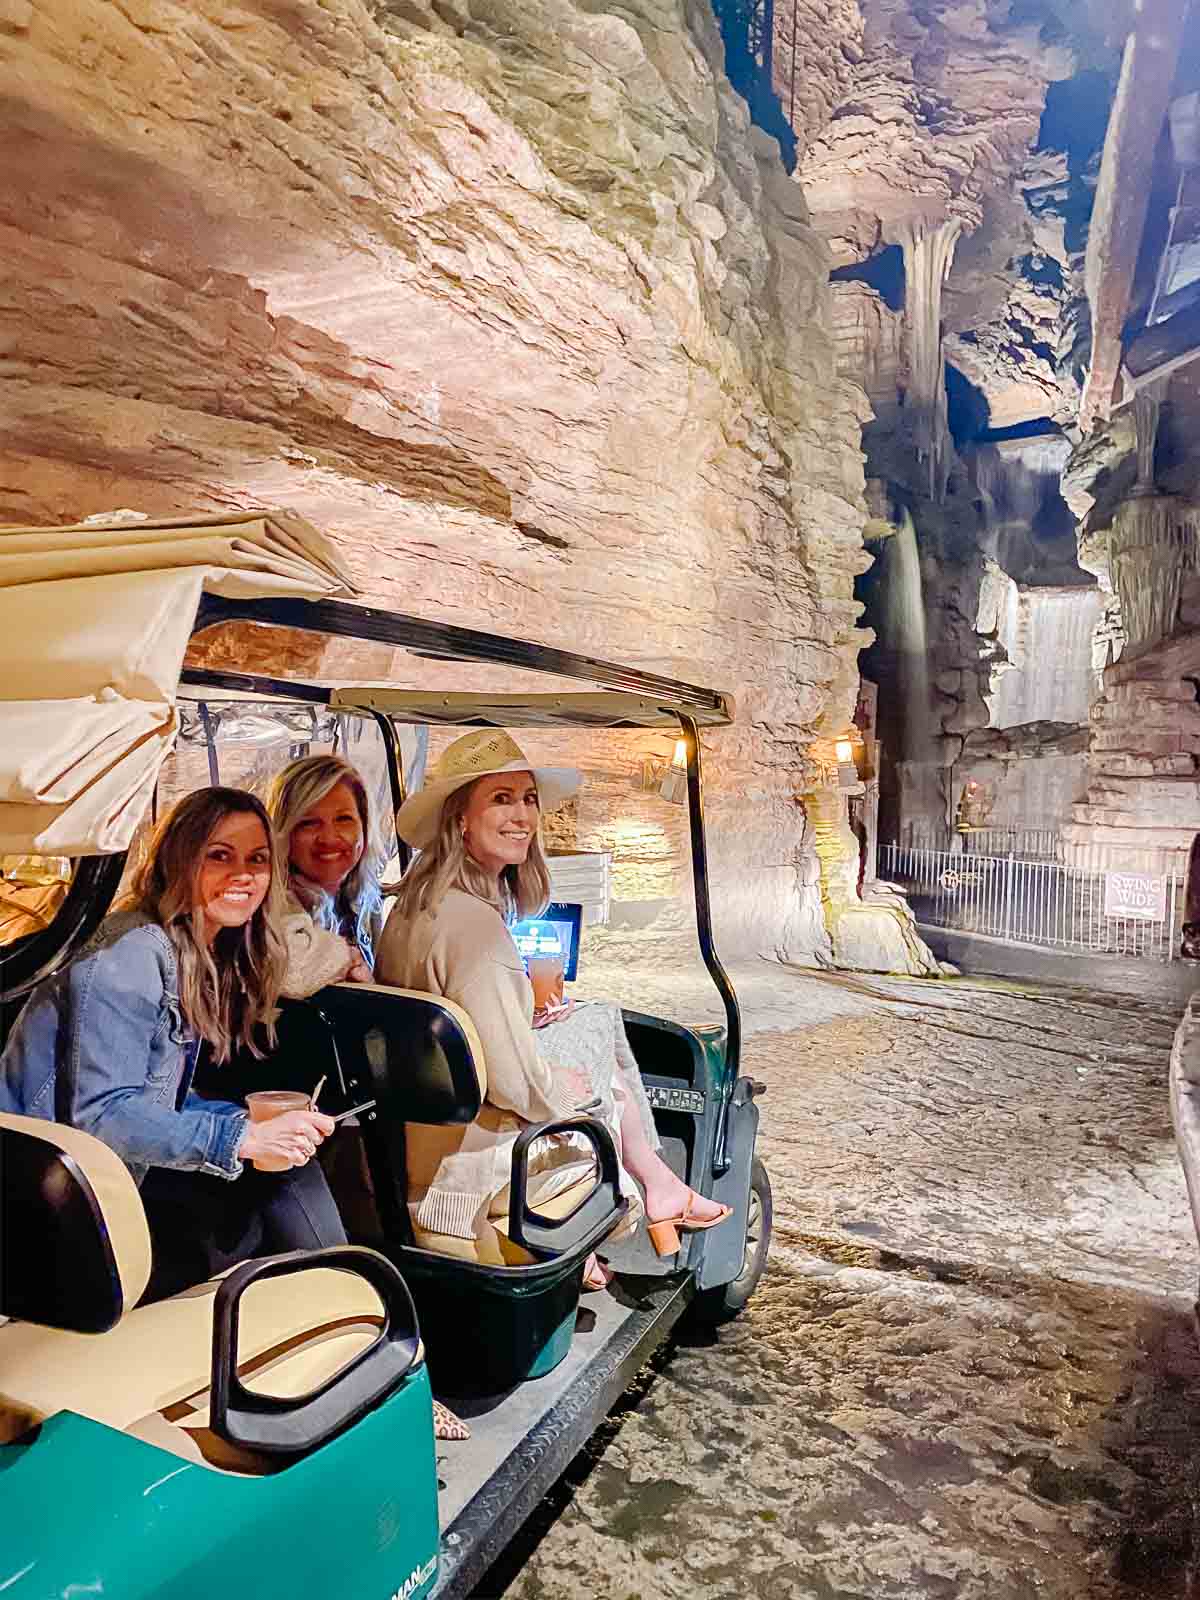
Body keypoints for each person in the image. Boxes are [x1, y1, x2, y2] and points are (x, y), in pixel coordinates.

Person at [375, 729, 731, 1285]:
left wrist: (529, 1031)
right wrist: (567, 1086)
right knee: (603, 1082)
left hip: (426, 1122)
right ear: (460, 819)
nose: (522, 815)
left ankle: (656, 1184)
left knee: (597, 1018)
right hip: (477, 1155)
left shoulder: (411, 908)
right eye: (500, 798)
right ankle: (651, 1188)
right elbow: (518, 1087)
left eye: (529, 798)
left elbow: (466, 1029)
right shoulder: (478, 934)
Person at [0, 786, 345, 1300]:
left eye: (257, 859)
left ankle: (336, 1319)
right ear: (180, 859)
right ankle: (347, 1311)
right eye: (219, 856)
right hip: (43, 1210)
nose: (243, 875)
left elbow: (157, 1100)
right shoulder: (133, 951)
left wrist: (246, 1125)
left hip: (98, 1187)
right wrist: (240, 1141)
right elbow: (101, 1116)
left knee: (274, 1190)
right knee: (257, 1214)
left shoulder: (195, 949)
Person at [265, 754, 383, 996]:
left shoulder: (365, 901)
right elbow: (287, 973)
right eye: (308, 823)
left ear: (365, 826)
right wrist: (347, 957)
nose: (328, 838)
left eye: (344, 819)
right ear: (284, 832)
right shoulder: (269, 908)